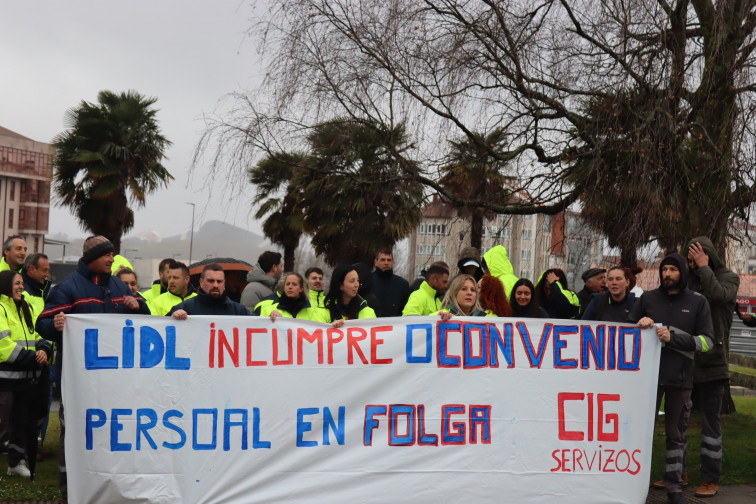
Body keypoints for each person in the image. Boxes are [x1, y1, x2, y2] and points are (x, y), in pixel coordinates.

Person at [35, 235, 150, 500]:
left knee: (112, 431)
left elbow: (145, 323)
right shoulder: (68, 288)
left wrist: (138, 307)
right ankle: (70, 488)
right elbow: (43, 322)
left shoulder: (121, 287)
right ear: (91, 258)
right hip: (78, 382)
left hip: (117, 381)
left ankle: (112, 488)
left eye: (112, 254)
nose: (112, 259)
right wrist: (56, 326)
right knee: (75, 432)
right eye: (106, 254)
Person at [628, 252, 714, 504]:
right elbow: (627, 333)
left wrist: (673, 337)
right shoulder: (647, 299)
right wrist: (639, 324)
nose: (667, 274)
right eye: (664, 269)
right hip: (646, 381)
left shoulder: (698, 302)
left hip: (681, 379)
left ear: (682, 273)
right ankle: (634, 484)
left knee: (676, 435)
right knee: (639, 432)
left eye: (672, 270)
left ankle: (674, 488)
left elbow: (707, 343)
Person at [672, 237, 738, 498]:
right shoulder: (687, 280)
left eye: (696, 258)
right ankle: (678, 473)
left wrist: (703, 268)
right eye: (688, 259)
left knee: (711, 426)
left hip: (714, 363)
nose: (691, 264)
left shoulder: (728, 278)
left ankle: (711, 478)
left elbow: (718, 296)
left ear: (708, 255)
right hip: (685, 362)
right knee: (679, 423)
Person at [0, 271, 51, 478]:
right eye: (17, 283)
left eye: (22, 283)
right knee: (2, 425)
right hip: (5, 381)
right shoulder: (1, 308)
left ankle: (16, 463)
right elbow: (3, 345)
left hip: (25, 380)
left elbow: (37, 335)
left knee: (20, 424)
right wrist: (33, 357)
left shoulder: (24, 308)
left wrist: (44, 349)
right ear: (5, 285)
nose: (21, 287)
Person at [169, 264, 251, 317]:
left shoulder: (238, 311)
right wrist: (172, 320)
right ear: (201, 282)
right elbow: (162, 329)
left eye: (219, 281)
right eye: (211, 281)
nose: (215, 285)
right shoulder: (184, 309)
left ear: (224, 283)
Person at [258, 272, 329, 322]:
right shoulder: (268, 310)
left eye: (294, 284)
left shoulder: (313, 312)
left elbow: (323, 331)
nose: (290, 287)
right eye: (287, 284)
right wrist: (268, 318)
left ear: (301, 288)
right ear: (284, 287)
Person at [372, 249, 410, 317]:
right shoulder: (368, 282)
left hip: (395, 326)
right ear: (375, 262)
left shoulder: (402, 284)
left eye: (389, 260)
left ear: (393, 262)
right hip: (371, 326)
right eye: (383, 260)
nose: (386, 263)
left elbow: (406, 311)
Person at [21, 253, 51, 321]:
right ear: (31, 269)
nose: (47, 275)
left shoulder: (42, 291)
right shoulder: (22, 293)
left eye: (48, 270)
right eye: (44, 270)